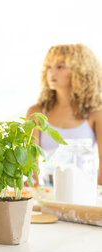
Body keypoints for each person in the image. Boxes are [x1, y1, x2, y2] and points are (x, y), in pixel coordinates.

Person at [27, 44, 102, 185]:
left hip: (84, 192)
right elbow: (31, 168)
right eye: (49, 66)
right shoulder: (36, 112)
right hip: (48, 192)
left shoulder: (96, 113)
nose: (51, 72)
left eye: (60, 67)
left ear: (80, 71)